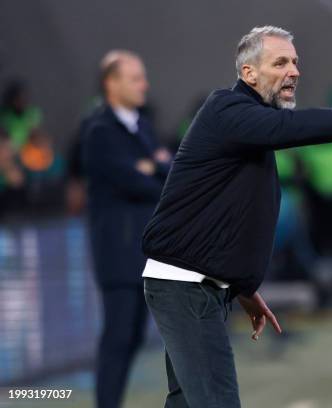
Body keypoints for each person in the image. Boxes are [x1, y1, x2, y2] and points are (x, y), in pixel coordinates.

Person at [141, 25, 332, 407]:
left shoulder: (248, 127)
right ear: (249, 74)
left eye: (295, 62)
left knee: (187, 403)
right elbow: (293, 127)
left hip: (198, 285)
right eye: (280, 62)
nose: (294, 70)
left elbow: (230, 215)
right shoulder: (227, 109)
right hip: (185, 286)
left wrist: (241, 285)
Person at [81, 50, 171, 408]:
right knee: (118, 337)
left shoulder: (143, 126)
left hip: (147, 251)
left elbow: (167, 172)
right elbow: (132, 180)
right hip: (118, 253)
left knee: (133, 337)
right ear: (111, 84)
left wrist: (151, 166)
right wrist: (151, 167)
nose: (143, 85)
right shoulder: (99, 130)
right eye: (135, 78)